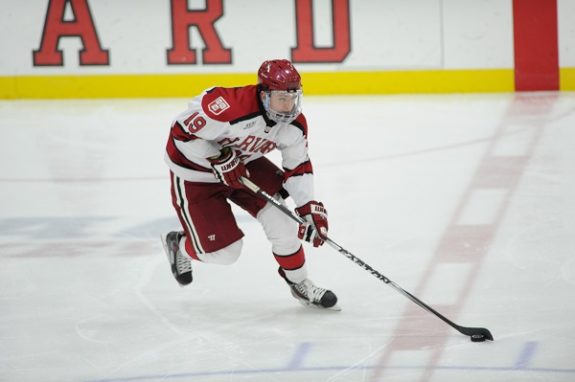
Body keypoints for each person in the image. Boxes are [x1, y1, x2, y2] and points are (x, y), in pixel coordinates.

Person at [161, 59, 337, 309]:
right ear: (263, 95)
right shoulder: (227, 106)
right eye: (281, 99)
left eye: (292, 98)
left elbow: (298, 166)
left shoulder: (294, 126)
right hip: (196, 172)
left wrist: (307, 207)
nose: (288, 106)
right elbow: (181, 133)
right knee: (225, 254)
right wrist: (217, 156)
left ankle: (299, 283)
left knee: (285, 225)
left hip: (244, 166)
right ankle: (179, 245)